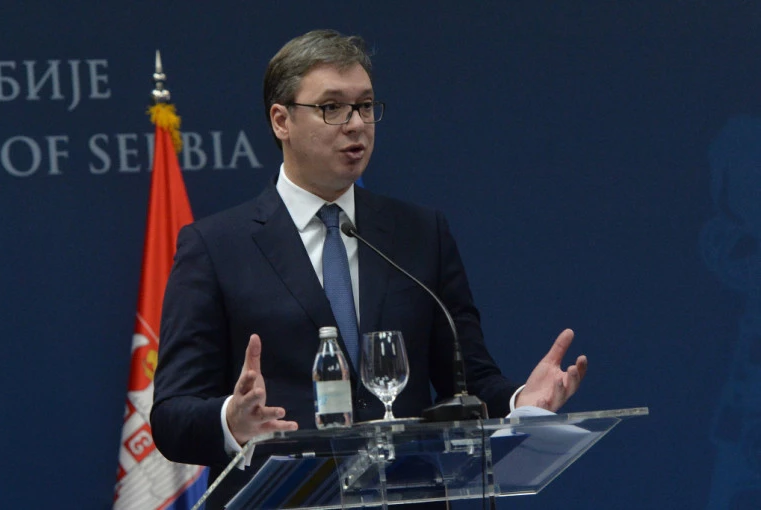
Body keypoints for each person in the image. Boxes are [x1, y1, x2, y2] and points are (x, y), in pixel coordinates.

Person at [151, 29, 588, 509]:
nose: (356, 124)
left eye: (364, 106)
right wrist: (230, 421)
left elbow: (469, 380)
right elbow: (171, 416)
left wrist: (521, 403)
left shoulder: (421, 233)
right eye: (331, 107)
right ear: (281, 120)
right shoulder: (216, 247)